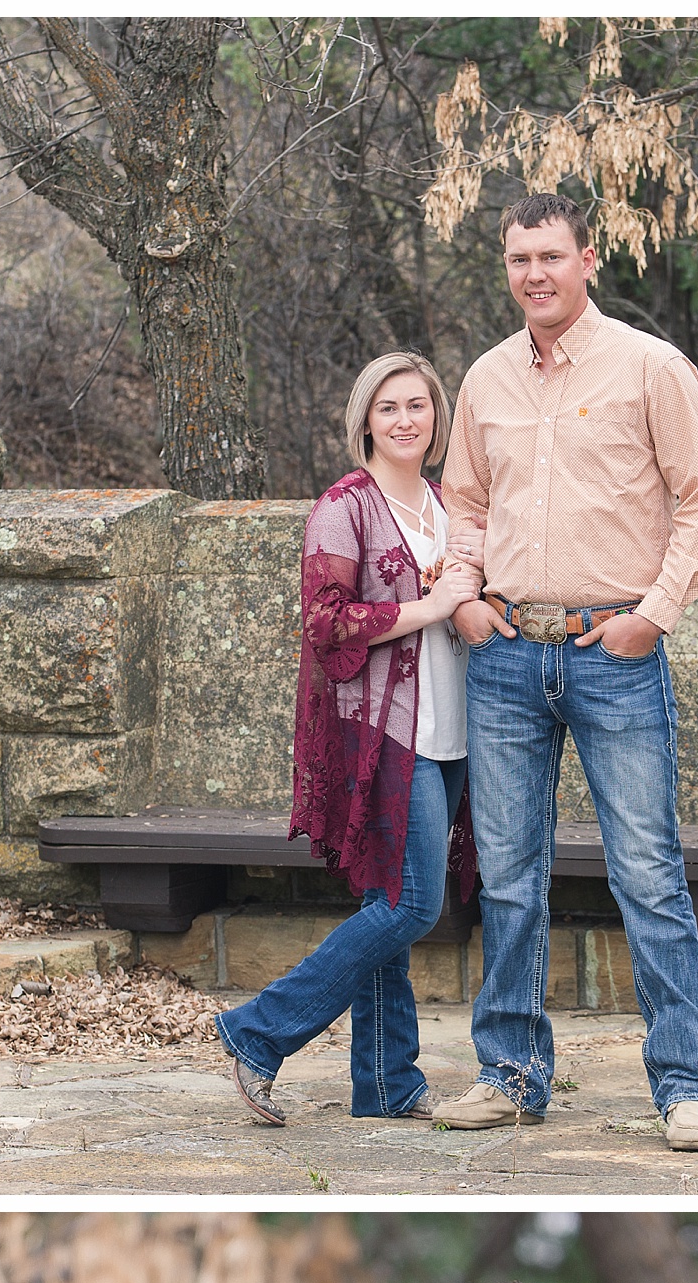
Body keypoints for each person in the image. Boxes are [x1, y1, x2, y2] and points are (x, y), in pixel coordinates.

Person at [436, 196, 698, 1152]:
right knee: (509, 879)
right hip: (506, 655)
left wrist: (655, 617)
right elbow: (463, 507)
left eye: (552, 257)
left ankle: (687, 1082)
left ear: (588, 260)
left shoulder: (651, 368)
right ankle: (512, 1072)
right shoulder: (484, 380)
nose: (535, 274)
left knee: (647, 873)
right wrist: (465, 594)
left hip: (614, 651)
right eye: (519, 258)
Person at [215, 353, 481, 1126]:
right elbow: (325, 621)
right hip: (386, 736)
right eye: (389, 407)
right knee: (409, 906)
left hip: (452, 729)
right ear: (365, 419)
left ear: (437, 417)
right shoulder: (345, 508)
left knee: (383, 900)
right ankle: (259, 1032)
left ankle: (386, 1082)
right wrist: (432, 606)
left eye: (419, 406)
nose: (405, 420)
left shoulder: (443, 503)